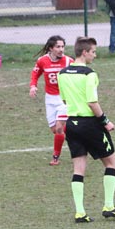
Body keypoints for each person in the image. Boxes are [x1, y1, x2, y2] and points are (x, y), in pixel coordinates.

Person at [57, 36, 115, 223]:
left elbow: (65, 100)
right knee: (111, 162)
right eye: (93, 52)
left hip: (72, 124)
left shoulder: (62, 73)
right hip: (90, 124)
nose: (95, 55)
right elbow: (92, 102)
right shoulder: (89, 74)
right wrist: (106, 121)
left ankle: (80, 212)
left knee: (78, 168)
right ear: (84, 52)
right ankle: (109, 206)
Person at [29, 35, 74, 165]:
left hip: (64, 99)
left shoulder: (68, 61)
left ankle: (55, 158)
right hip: (50, 99)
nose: (61, 49)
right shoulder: (42, 61)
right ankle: (77, 137)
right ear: (51, 48)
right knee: (55, 130)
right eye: (58, 47)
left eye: (63, 46)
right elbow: (35, 73)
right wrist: (33, 86)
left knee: (59, 129)